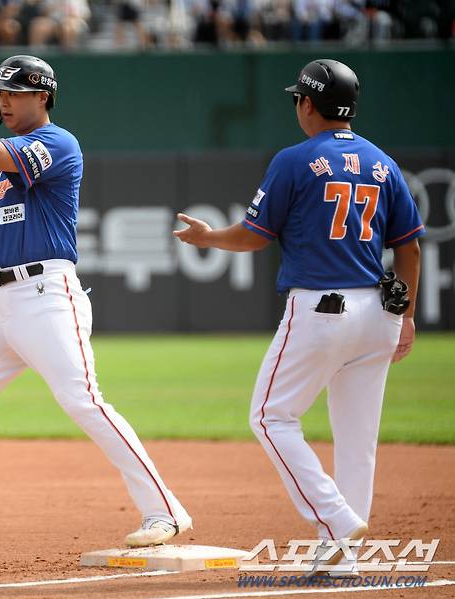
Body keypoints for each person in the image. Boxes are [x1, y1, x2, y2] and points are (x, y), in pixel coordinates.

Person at [0, 55, 192, 569]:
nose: (5, 101)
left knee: (82, 400)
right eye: (1, 94)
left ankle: (164, 510)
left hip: (47, 295)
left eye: (16, 93)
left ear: (44, 96)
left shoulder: (58, 143)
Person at [174, 59, 423, 573]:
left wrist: (207, 237)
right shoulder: (382, 162)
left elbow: (252, 236)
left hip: (322, 309)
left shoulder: (295, 160)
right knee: (358, 440)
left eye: (298, 99)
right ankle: (342, 558)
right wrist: (408, 315)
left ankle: (333, 517)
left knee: (269, 417)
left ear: (308, 104)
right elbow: (410, 248)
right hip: (380, 313)